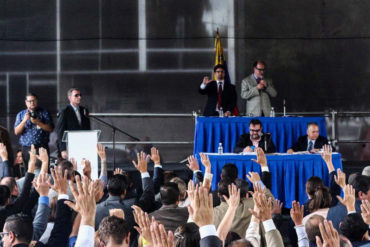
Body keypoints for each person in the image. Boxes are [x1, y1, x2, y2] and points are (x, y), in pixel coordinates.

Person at [14, 93, 54, 166]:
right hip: (26, 148)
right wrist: (24, 120)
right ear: (26, 102)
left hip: (42, 147)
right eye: (30, 101)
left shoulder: (44, 112)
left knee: (44, 170)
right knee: (28, 171)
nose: (32, 103)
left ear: (37, 101)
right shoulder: (21, 114)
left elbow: (50, 128)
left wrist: (38, 122)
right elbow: (16, 132)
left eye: (34, 101)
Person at [56, 88, 91, 159]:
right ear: (70, 97)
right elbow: (60, 131)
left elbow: (87, 128)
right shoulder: (64, 111)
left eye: (80, 95)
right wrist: (63, 149)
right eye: (76, 95)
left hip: (83, 145)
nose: (79, 97)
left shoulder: (84, 110)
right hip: (70, 145)